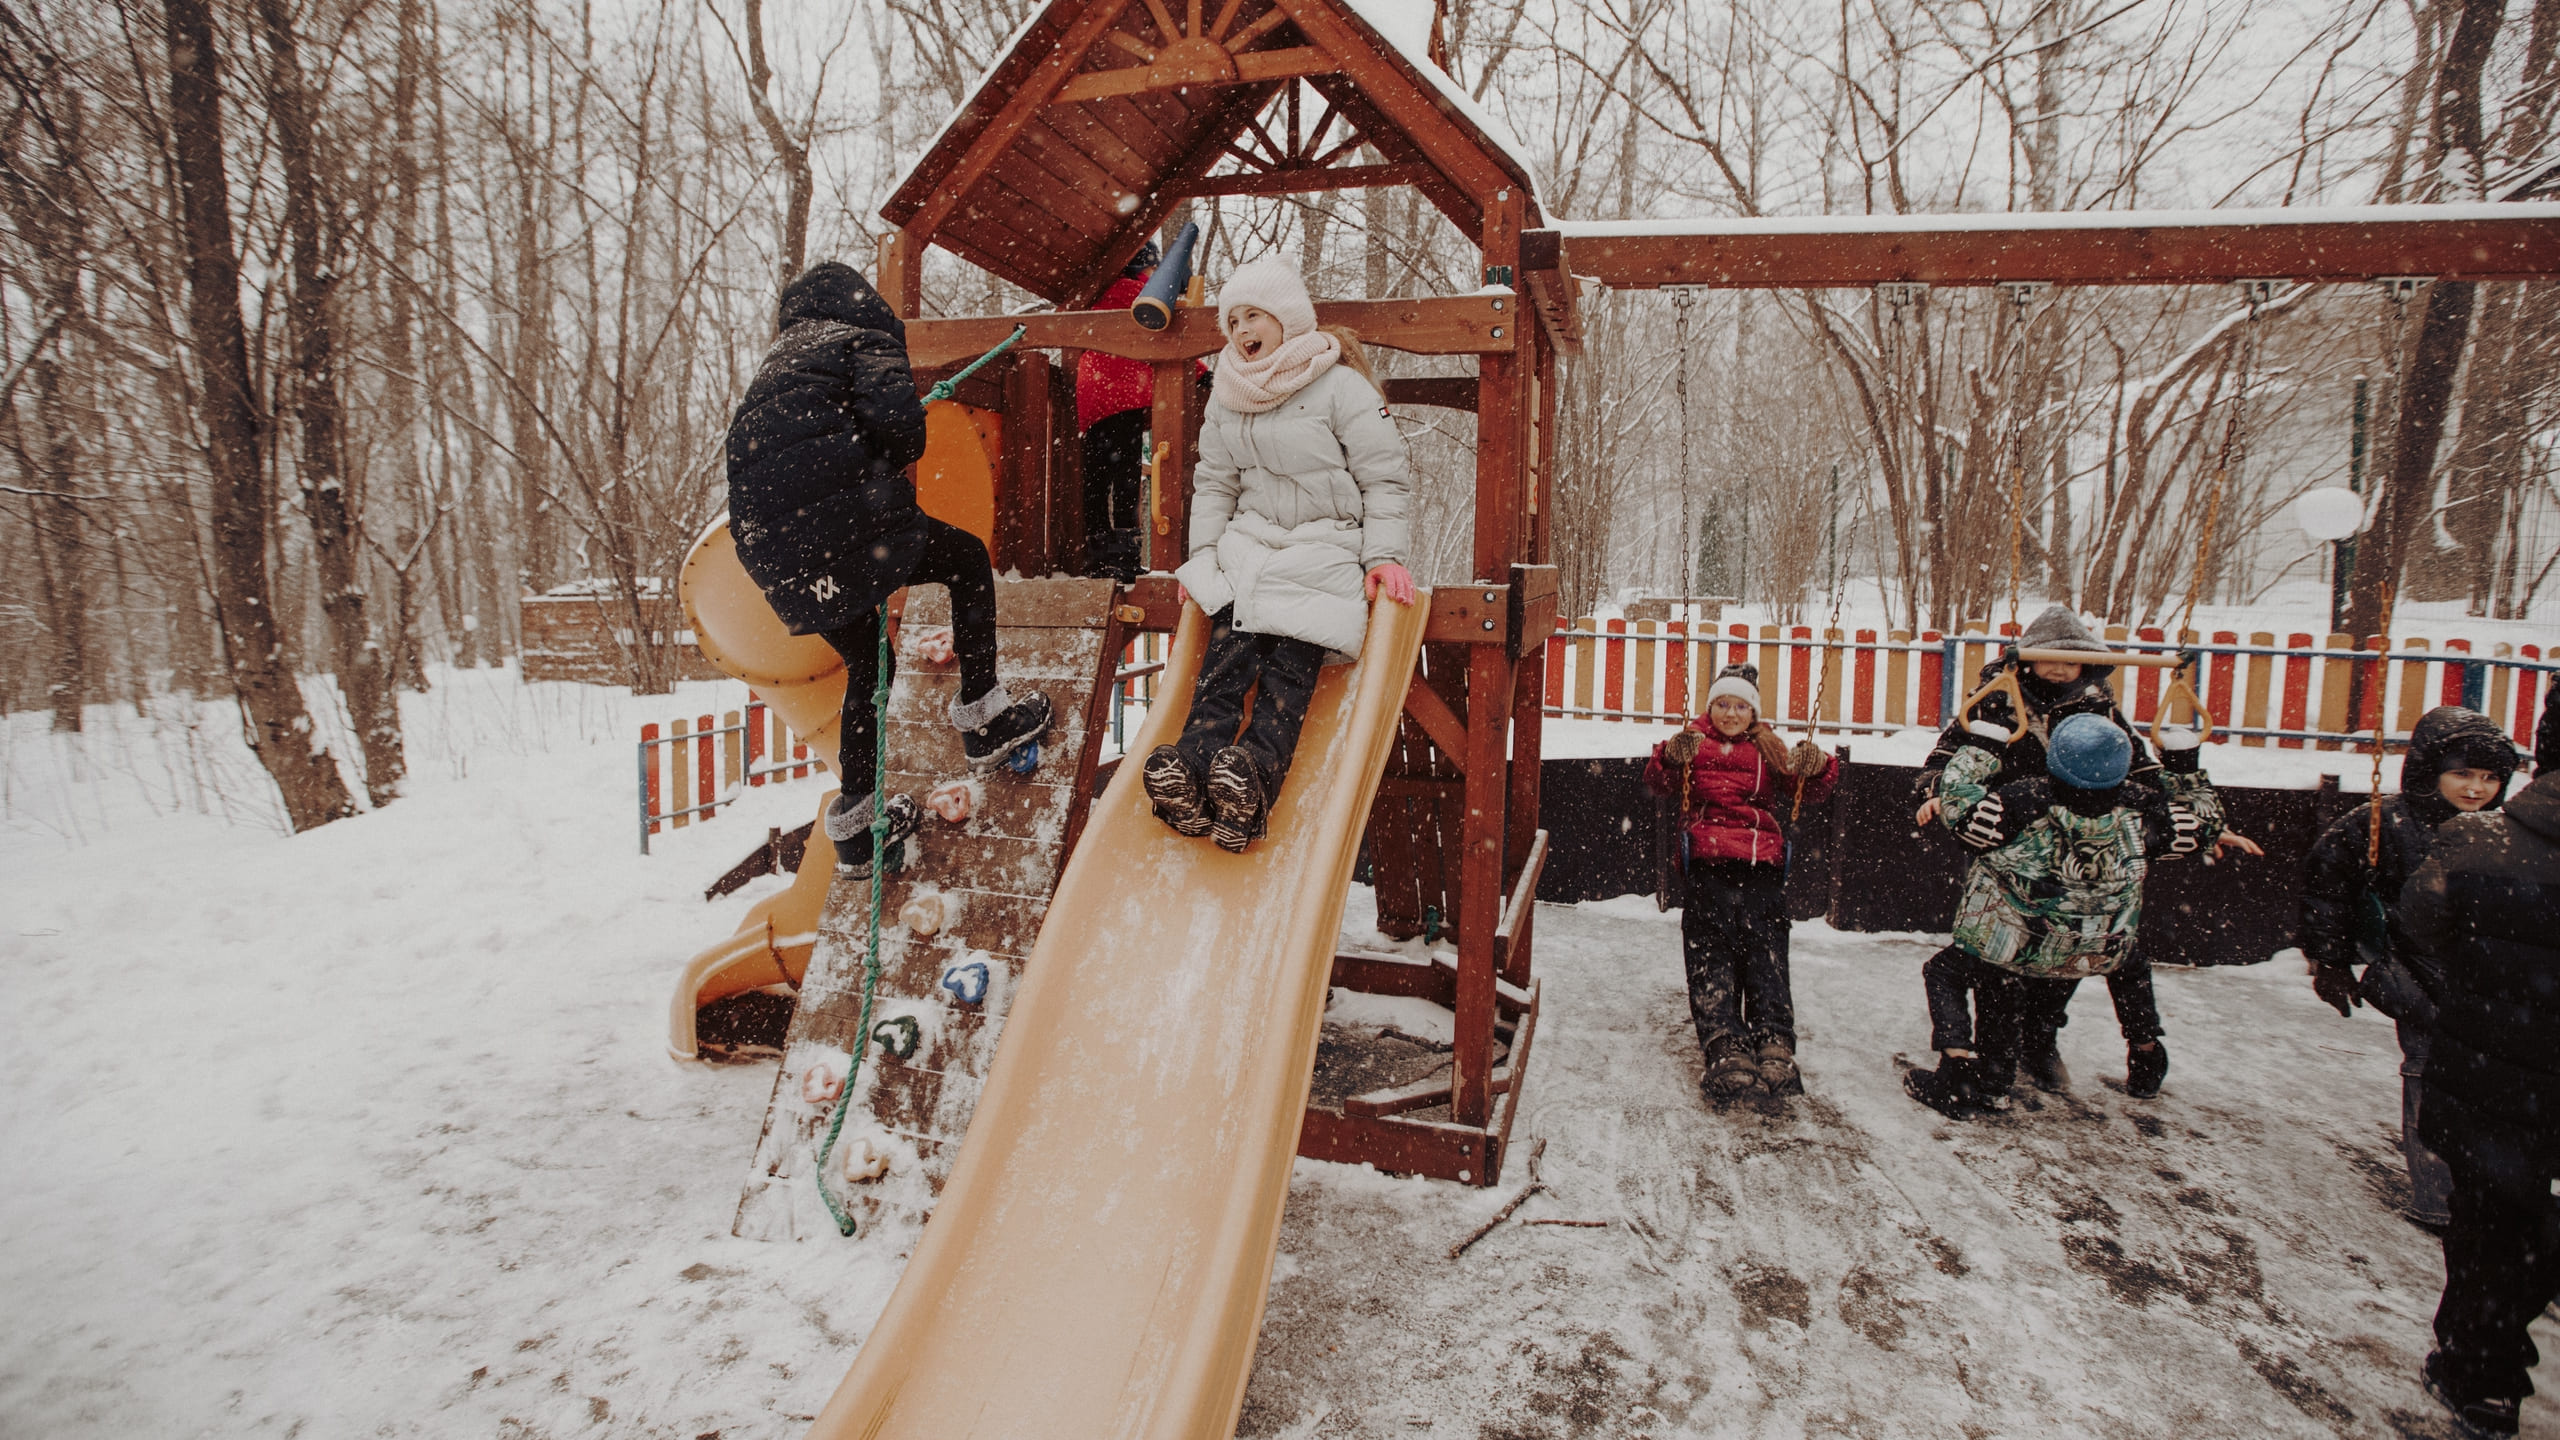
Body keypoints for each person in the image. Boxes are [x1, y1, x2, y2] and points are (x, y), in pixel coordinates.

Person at [725, 261, 1053, 876]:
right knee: (965, 560)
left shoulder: (774, 369)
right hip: (845, 526)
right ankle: (983, 711)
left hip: (776, 558)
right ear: (863, 305)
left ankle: (856, 825)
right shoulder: (862, 338)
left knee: (868, 662)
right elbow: (902, 433)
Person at [1142, 258, 1415, 853]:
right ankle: (1190, 774)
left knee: (1286, 676)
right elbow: (1215, 483)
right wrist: (1204, 558)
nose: (1241, 330)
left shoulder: (1341, 387)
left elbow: (1385, 478)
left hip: (1324, 549)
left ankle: (1249, 784)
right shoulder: (1228, 393)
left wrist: (1383, 557)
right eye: (1232, 320)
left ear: (1286, 319)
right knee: (1223, 665)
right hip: (1248, 550)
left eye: (1253, 315)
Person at [1915, 604, 2199, 1098]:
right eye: (2053, 657)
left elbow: (2139, 770)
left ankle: (2038, 1038)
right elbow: (1945, 758)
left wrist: (2160, 806)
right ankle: (1998, 1048)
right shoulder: (1997, 701)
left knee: (2065, 942)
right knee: (2005, 949)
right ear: (2029, 659)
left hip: (2084, 846)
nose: (2063, 668)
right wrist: (1938, 791)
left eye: (2074, 660)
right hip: (2011, 835)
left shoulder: (2099, 711)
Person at [1905, 711, 2224, 1118]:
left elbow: (1958, 805)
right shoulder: (2147, 810)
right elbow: (2206, 823)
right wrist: (2183, 767)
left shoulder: (2018, 803)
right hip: (2098, 945)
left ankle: (1963, 1072)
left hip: (2015, 943)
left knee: (1947, 972)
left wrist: (1982, 748)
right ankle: (2146, 1056)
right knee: (2131, 967)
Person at [2398, 692, 2557, 1439]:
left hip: (2496, 1072)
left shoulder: (2478, 846)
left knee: (2490, 1225)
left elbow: (2426, 926)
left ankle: (2482, 1370)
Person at [2301, 705, 2521, 1231]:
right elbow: (2328, 887)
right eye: (2462, 773)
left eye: (2490, 777)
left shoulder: (2504, 830)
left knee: (2489, 1083)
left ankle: (2486, 1181)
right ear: (2430, 772)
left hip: (2486, 979)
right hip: (2416, 973)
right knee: (2426, 1070)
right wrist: (2329, 961)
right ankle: (2437, 1195)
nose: (2476, 788)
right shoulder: (2386, 823)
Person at [1644, 663, 1836, 1103]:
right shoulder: (1692, 741)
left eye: (1740, 706)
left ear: (1753, 712)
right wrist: (1671, 757)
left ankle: (1774, 1041)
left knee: (1765, 949)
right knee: (1711, 952)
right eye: (1722, 704)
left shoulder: (1767, 746)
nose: (1731, 713)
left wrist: (1819, 766)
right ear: (1710, 708)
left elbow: (1808, 786)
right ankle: (1724, 1043)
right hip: (1709, 856)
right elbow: (1658, 782)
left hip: (1759, 860)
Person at [1077, 242, 1161, 583]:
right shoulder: (1145, 296)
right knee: (1127, 479)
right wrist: (1202, 373)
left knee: (1095, 481)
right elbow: (1167, 333)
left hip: (1092, 398)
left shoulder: (1097, 294)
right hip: (1124, 396)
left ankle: (1096, 557)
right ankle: (1124, 557)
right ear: (1144, 268)